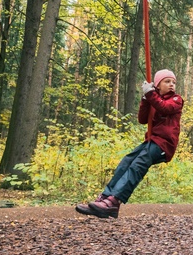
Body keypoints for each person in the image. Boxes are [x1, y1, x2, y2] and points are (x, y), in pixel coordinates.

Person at [75, 69, 183, 218]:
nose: (171, 84)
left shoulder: (176, 100)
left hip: (164, 145)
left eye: (173, 82)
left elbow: (164, 108)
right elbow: (142, 119)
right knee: (127, 161)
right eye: (167, 81)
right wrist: (145, 99)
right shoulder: (154, 100)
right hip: (151, 141)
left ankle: (114, 201)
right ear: (157, 85)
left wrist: (151, 95)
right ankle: (106, 197)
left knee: (138, 164)